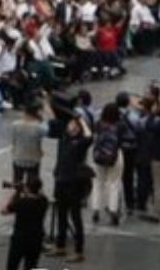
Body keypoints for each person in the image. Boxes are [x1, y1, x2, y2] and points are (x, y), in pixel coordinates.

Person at [46, 111, 91, 263]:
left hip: (74, 184)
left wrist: (82, 121)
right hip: (61, 180)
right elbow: (53, 119)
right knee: (61, 215)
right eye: (70, 123)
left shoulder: (80, 143)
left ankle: (79, 251)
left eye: (73, 124)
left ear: (78, 128)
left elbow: (89, 137)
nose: (70, 125)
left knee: (75, 217)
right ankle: (60, 246)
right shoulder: (64, 138)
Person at [2, 176, 48, 270]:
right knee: (31, 265)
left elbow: (4, 211)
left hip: (20, 239)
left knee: (12, 265)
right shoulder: (44, 201)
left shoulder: (22, 202)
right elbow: (40, 193)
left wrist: (17, 192)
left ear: (27, 188)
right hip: (36, 239)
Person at [10, 101, 46, 188]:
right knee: (32, 183)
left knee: (17, 181)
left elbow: (13, 141)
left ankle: (17, 196)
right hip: (33, 158)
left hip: (18, 156)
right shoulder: (40, 127)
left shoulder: (15, 124)